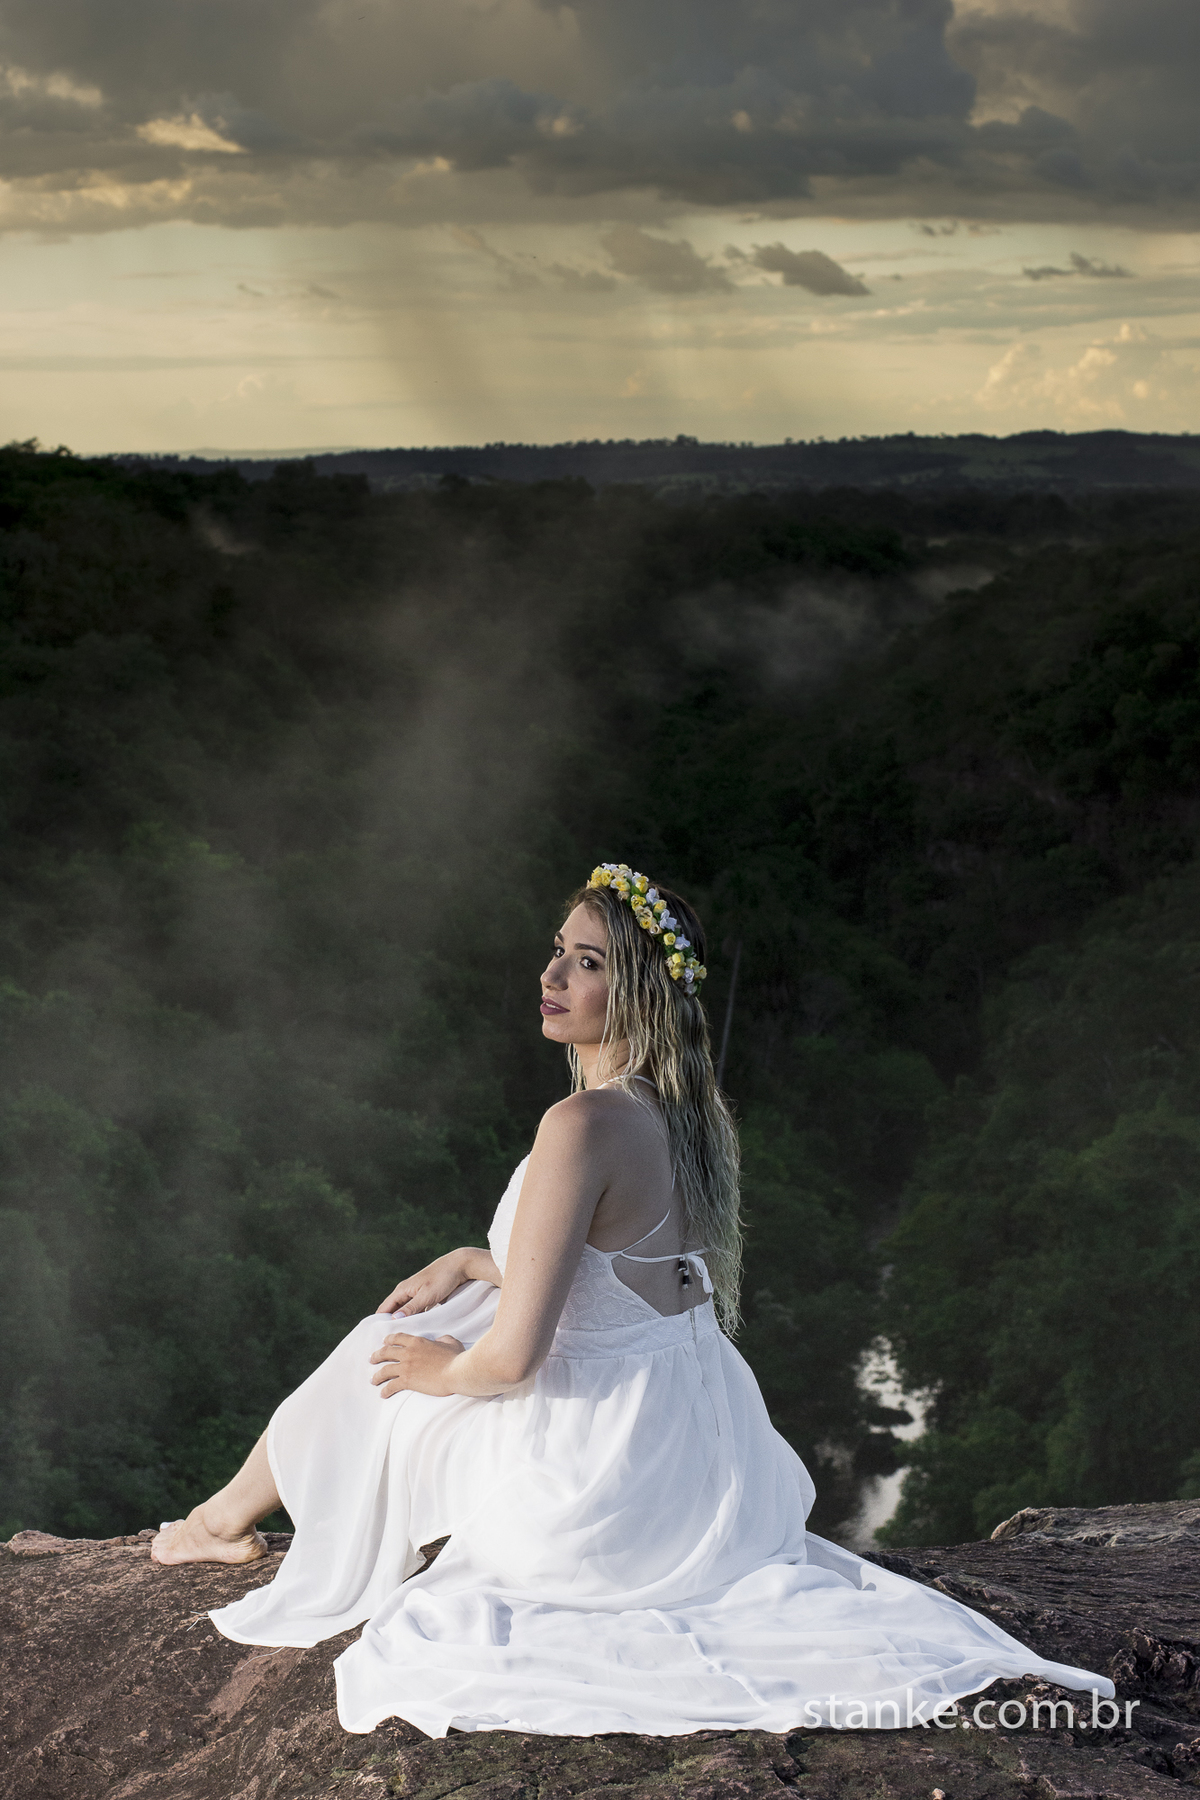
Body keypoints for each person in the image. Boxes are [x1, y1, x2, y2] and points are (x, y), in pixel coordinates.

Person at [152, 863, 1114, 1738]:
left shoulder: (582, 1122)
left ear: (640, 992)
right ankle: (225, 1517)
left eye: (586, 963)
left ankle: (218, 1523)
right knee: (440, 1309)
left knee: (389, 1341)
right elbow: (633, 1276)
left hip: (598, 1474)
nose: (554, 976)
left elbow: (513, 1363)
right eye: (557, 953)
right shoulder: (682, 1111)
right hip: (694, 1448)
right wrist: (472, 1260)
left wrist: (438, 1370)